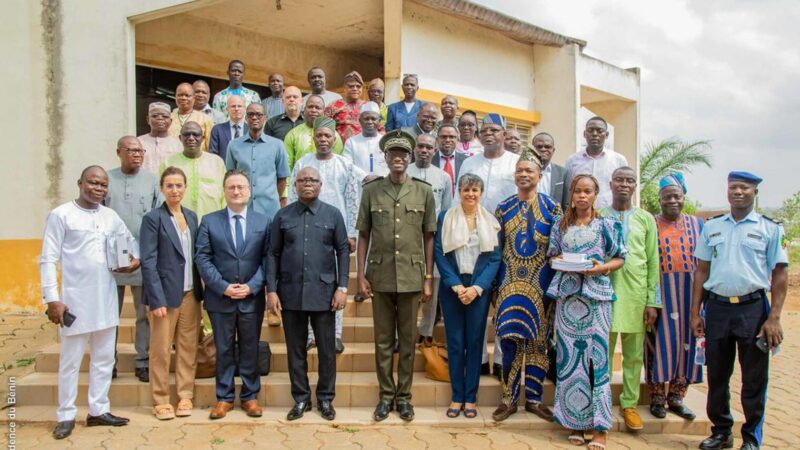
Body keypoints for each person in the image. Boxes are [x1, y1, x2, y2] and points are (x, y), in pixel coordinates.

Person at [691, 171, 788, 450]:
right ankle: (721, 432)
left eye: (744, 188)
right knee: (718, 376)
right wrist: (695, 313)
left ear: (754, 192)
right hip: (718, 308)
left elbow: (779, 275)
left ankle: (751, 438)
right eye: (733, 187)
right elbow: (701, 271)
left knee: (754, 378)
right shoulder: (712, 227)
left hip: (753, 309)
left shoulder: (770, 228)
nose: (738, 192)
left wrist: (774, 318)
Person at [41, 166, 137, 440]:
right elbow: (48, 259)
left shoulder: (110, 216)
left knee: (104, 358)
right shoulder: (61, 215)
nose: (98, 188)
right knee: (70, 362)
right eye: (93, 183)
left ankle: (98, 409)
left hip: (105, 298)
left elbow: (129, 243)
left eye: (103, 185)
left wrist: (133, 262)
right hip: (73, 302)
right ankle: (66, 414)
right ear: (80, 182)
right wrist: (52, 299)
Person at [356, 130, 437, 422]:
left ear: (411, 157)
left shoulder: (424, 191)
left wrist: (428, 277)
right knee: (382, 340)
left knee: (406, 340)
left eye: (404, 153)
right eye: (393, 154)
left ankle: (404, 398)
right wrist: (360, 275)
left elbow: (429, 237)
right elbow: (363, 235)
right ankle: (385, 396)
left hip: (412, 275)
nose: (398, 158)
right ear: (386, 158)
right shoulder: (371, 190)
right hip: (380, 274)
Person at [546, 174, 626, 450]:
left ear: (595, 194)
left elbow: (619, 258)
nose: (582, 196)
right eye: (578, 191)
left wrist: (600, 267)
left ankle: (600, 427)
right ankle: (576, 422)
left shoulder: (607, 224)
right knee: (570, 361)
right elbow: (552, 255)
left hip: (597, 300)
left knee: (598, 362)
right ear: (572, 194)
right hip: (568, 300)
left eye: (587, 191)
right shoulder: (561, 224)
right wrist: (560, 261)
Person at [267, 166, 349, 422]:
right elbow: (272, 253)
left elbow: (343, 251)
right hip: (290, 293)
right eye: (302, 180)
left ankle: (325, 398)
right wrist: (271, 290)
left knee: (326, 350)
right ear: (294, 185)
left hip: (325, 294)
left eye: (312, 180)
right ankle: (301, 399)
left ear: (321, 184)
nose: (307, 184)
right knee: (295, 350)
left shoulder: (333, 214)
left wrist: (342, 287)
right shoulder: (282, 216)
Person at [491, 147, 561, 422]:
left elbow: (557, 250)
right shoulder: (503, 208)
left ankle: (534, 399)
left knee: (538, 344)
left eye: (529, 170)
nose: (523, 174)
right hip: (509, 285)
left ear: (540, 175)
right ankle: (508, 400)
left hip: (541, 286)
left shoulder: (553, 208)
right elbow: (496, 251)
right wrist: (496, 287)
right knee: (509, 342)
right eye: (519, 170)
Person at [195, 169, 271, 420]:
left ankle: (250, 396)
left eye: (241, 187)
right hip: (221, 298)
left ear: (249, 191)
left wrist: (253, 286)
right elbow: (202, 258)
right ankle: (224, 397)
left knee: (249, 347)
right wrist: (222, 286)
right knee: (224, 348)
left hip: (252, 297)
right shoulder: (209, 221)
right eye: (231, 187)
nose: (236, 191)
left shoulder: (263, 221)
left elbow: (268, 258)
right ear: (224, 191)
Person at [290, 117, 366, 352]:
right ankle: (312, 335)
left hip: (337, 230)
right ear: (313, 138)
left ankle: (335, 334)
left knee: (336, 283)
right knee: (309, 280)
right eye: (319, 135)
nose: (323, 139)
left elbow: (354, 199)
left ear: (335, 139)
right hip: (305, 231)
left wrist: (352, 233)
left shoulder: (345, 164)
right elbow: (293, 197)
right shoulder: (303, 163)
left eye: (327, 136)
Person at [434, 173, 501, 419]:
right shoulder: (446, 218)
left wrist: (477, 288)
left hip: (478, 290)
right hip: (453, 289)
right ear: (458, 192)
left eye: (475, 190)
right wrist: (455, 286)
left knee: (474, 343)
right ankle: (456, 396)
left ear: (481, 193)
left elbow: (495, 258)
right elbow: (440, 253)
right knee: (455, 343)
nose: (470, 194)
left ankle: (471, 398)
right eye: (466, 190)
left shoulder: (491, 222)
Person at [457, 113, 519, 376]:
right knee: (476, 299)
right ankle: (480, 359)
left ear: (505, 134)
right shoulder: (469, 163)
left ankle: (503, 361)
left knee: (505, 301)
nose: (489, 134)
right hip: (474, 241)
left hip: (511, 240)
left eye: (495, 129)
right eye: (485, 130)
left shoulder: (517, 163)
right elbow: (456, 201)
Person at [139, 167, 203, 420]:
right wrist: (156, 299)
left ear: (185, 188)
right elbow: (148, 260)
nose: (175, 190)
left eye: (179, 185)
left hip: (190, 293)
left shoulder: (191, 216)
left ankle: (185, 396)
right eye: (169, 186)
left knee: (188, 348)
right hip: (164, 296)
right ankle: (161, 399)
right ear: (162, 189)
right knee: (161, 350)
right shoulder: (153, 218)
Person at [600, 166, 661, 431]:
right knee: (602, 351)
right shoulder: (600, 216)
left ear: (635, 186)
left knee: (634, 355)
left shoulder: (646, 219)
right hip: (604, 293)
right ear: (610, 184)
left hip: (637, 295)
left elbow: (653, 261)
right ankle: (599, 402)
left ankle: (629, 404)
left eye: (630, 181)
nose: (625, 185)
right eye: (620, 180)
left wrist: (652, 302)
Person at [645, 173, 703, 421]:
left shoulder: (699, 225)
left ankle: (677, 396)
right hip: (660, 293)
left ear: (683, 197)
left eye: (676, 196)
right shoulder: (651, 224)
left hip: (691, 294)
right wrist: (651, 300)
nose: (672, 201)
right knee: (656, 342)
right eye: (666, 196)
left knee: (687, 343)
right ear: (659, 199)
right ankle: (657, 396)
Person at [104, 136, 161, 383]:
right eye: (131, 150)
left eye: (140, 151)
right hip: (109, 261)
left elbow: (157, 218)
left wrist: (145, 256)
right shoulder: (106, 179)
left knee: (143, 314)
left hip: (141, 258)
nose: (137, 155)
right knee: (108, 315)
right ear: (119, 152)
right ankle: (108, 362)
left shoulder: (151, 180)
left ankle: (143, 361)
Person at [407, 133, 452, 345]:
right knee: (408, 290)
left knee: (432, 290)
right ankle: (405, 334)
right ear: (414, 149)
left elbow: (446, 212)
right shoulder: (405, 172)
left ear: (435, 151)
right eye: (421, 146)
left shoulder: (443, 177)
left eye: (429, 147)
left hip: (433, 240)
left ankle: (426, 333)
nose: (424, 150)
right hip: (408, 240)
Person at [226, 102, 290, 221]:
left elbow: (282, 179)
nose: (254, 118)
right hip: (242, 207)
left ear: (265, 118)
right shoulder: (234, 145)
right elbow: (230, 176)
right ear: (246, 118)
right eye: (250, 115)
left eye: (259, 115)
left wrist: (272, 197)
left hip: (269, 209)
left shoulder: (277, 145)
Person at [161, 121, 226, 220]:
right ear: (180, 138)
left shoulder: (217, 162)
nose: (191, 138)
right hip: (178, 222)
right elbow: (161, 193)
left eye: (196, 135)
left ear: (203, 138)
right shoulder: (168, 162)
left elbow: (225, 194)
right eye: (186, 134)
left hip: (212, 222)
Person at [565, 116, 628, 210]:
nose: (594, 134)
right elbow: (568, 190)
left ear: (606, 135)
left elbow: (626, 189)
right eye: (590, 130)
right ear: (584, 134)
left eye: (599, 131)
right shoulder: (572, 160)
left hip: (609, 215)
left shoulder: (618, 160)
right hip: (580, 216)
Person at [284, 94, 344, 171]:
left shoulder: (333, 135)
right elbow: (287, 166)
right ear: (304, 110)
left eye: (317, 107)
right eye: (310, 107)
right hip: (301, 181)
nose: (313, 110)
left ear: (324, 111)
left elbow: (338, 164)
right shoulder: (292, 134)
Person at [342, 101, 387, 177]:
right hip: (359, 185)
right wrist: (364, 177)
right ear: (360, 121)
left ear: (379, 121)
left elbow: (390, 164)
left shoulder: (385, 141)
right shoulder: (351, 142)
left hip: (382, 185)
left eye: (373, 119)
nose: (370, 122)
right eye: (366, 119)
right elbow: (347, 164)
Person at [168, 83, 214, 152]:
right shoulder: (168, 118)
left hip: (197, 160)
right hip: (171, 160)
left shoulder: (205, 119)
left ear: (194, 98)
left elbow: (210, 147)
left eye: (187, 95)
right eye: (180, 95)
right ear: (175, 97)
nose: (183, 98)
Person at [139, 102, 182, 174]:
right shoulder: (139, 142)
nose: (160, 118)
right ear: (148, 119)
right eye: (155, 116)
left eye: (165, 116)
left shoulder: (177, 144)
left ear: (170, 121)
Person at [325, 71, 366, 142]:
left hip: (364, 149)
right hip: (340, 150)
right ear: (344, 88)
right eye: (351, 86)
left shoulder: (368, 106)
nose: (355, 89)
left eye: (358, 86)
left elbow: (379, 128)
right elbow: (324, 129)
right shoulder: (333, 106)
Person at [531, 132, 569, 207]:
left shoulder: (563, 173)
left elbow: (567, 203)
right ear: (532, 149)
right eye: (539, 146)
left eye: (547, 147)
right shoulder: (524, 172)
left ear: (553, 150)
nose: (543, 149)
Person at [209, 95, 247, 162]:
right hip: (223, 170)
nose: (236, 109)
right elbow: (213, 155)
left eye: (239, 106)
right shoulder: (217, 129)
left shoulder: (252, 130)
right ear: (227, 109)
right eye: (233, 106)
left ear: (245, 109)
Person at [431, 123, 467, 192]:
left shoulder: (466, 161)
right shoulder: (430, 160)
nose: (447, 140)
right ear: (437, 139)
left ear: (457, 139)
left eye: (452, 137)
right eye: (444, 137)